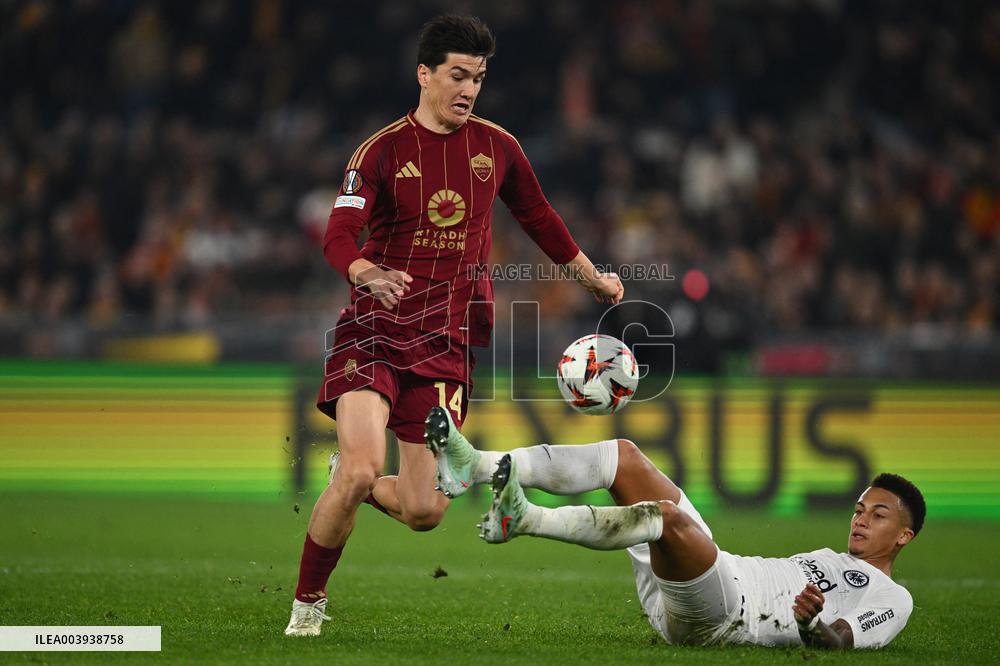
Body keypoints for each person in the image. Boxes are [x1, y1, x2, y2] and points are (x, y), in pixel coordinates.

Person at [285, 14, 624, 636]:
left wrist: (591, 277)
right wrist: (360, 268)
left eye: (479, 78)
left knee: (422, 512)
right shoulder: (381, 151)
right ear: (425, 74)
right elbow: (338, 233)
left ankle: (349, 482)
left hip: (447, 340)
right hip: (375, 328)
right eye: (459, 75)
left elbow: (540, 217)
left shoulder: (497, 147)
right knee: (363, 468)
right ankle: (308, 607)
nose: (469, 89)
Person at [427, 409, 924, 649]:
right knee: (624, 458)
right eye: (860, 509)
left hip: (730, 617)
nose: (861, 519)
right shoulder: (832, 558)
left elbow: (840, 643)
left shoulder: (891, 598)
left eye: (878, 516)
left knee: (668, 517)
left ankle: (526, 519)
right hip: (713, 577)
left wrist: (812, 625)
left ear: (904, 536)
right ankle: (473, 466)